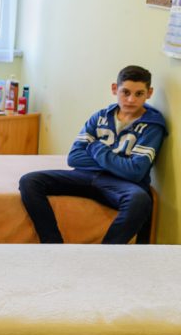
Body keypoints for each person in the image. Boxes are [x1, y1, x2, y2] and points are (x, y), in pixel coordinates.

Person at [19, 65, 168, 244]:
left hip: (120, 184)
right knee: (29, 181)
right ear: (115, 89)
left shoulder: (152, 126)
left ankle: (104, 253)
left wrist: (97, 148)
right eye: (125, 92)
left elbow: (135, 172)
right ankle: (53, 243)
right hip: (84, 176)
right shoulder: (100, 116)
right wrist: (119, 164)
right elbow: (74, 157)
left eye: (139, 94)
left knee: (140, 199)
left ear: (149, 93)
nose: (131, 99)